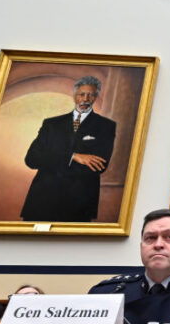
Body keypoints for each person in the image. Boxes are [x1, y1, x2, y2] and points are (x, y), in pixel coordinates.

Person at [20, 75, 116, 222]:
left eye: (91, 95)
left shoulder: (106, 126)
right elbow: (32, 159)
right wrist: (73, 156)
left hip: (78, 205)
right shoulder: (51, 124)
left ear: (96, 97)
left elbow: (98, 166)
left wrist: (51, 160)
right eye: (81, 94)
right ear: (74, 96)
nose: (86, 99)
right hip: (40, 202)